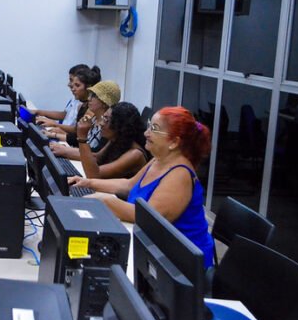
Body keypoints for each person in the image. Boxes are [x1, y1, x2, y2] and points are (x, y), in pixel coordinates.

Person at [69, 106, 215, 268]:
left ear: (174, 142)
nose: (146, 133)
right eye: (149, 126)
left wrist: (105, 202)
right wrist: (87, 182)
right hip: (154, 246)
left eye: (154, 129)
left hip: (181, 263)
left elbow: (146, 217)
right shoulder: (159, 159)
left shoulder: (180, 174)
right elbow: (128, 185)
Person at [71, 102, 149, 179]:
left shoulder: (135, 154)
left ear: (120, 125)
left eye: (106, 120)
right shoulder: (116, 139)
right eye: (103, 118)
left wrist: (82, 138)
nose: (101, 123)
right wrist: (65, 152)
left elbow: (94, 175)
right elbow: (96, 158)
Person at [48, 79, 120, 158]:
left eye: (93, 96)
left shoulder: (107, 127)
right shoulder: (93, 119)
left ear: (105, 102)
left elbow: (95, 153)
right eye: (90, 95)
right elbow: (78, 140)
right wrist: (53, 135)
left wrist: (66, 151)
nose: (89, 99)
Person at [38, 68, 101, 136]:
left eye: (77, 85)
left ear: (88, 87)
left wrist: (56, 126)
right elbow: (76, 130)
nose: (73, 89)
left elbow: (79, 134)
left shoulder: (91, 110)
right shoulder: (81, 106)